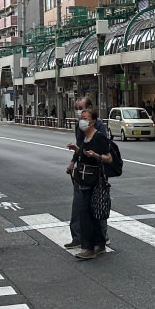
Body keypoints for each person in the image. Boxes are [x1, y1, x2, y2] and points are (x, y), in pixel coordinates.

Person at [65, 108, 114, 260]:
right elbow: (85, 155)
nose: (82, 121)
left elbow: (109, 158)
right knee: (90, 214)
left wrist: (96, 155)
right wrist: (77, 150)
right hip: (83, 179)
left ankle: (88, 248)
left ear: (93, 122)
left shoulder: (98, 137)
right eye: (81, 118)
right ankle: (99, 244)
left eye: (85, 118)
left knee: (85, 214)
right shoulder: (85, 136)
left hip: (93, 181)